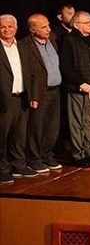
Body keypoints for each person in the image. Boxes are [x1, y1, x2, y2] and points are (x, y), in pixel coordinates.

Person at [59, 11, 90, 167]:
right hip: (78, 88)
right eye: (88, 23)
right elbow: (66, 66)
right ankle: (78, 154)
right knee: (77, 122)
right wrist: (80, 83)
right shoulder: (69, 40)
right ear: (77, 25)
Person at [20, 14, 63, 172]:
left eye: (48, 25)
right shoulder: (25, 45)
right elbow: (27, 72)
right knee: (36, 127)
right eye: (43, 27)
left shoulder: (52, 39)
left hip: (55, 90)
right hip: (39, 92)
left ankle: (47, 155)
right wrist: (33, 95)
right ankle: (34, 159)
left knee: (52, 127)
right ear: (32, 30)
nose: (48, 29)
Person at [1, 14, 38, 182]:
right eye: (3, 27)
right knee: (2, 135)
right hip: (4, 99)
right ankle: (2, 168)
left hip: (22, 97)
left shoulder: (23, 47)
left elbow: (32, 73)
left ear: (16, 28)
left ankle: (19, 165)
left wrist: (33, 96)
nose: (6, 30)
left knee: (19, 134)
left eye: (10, 26)